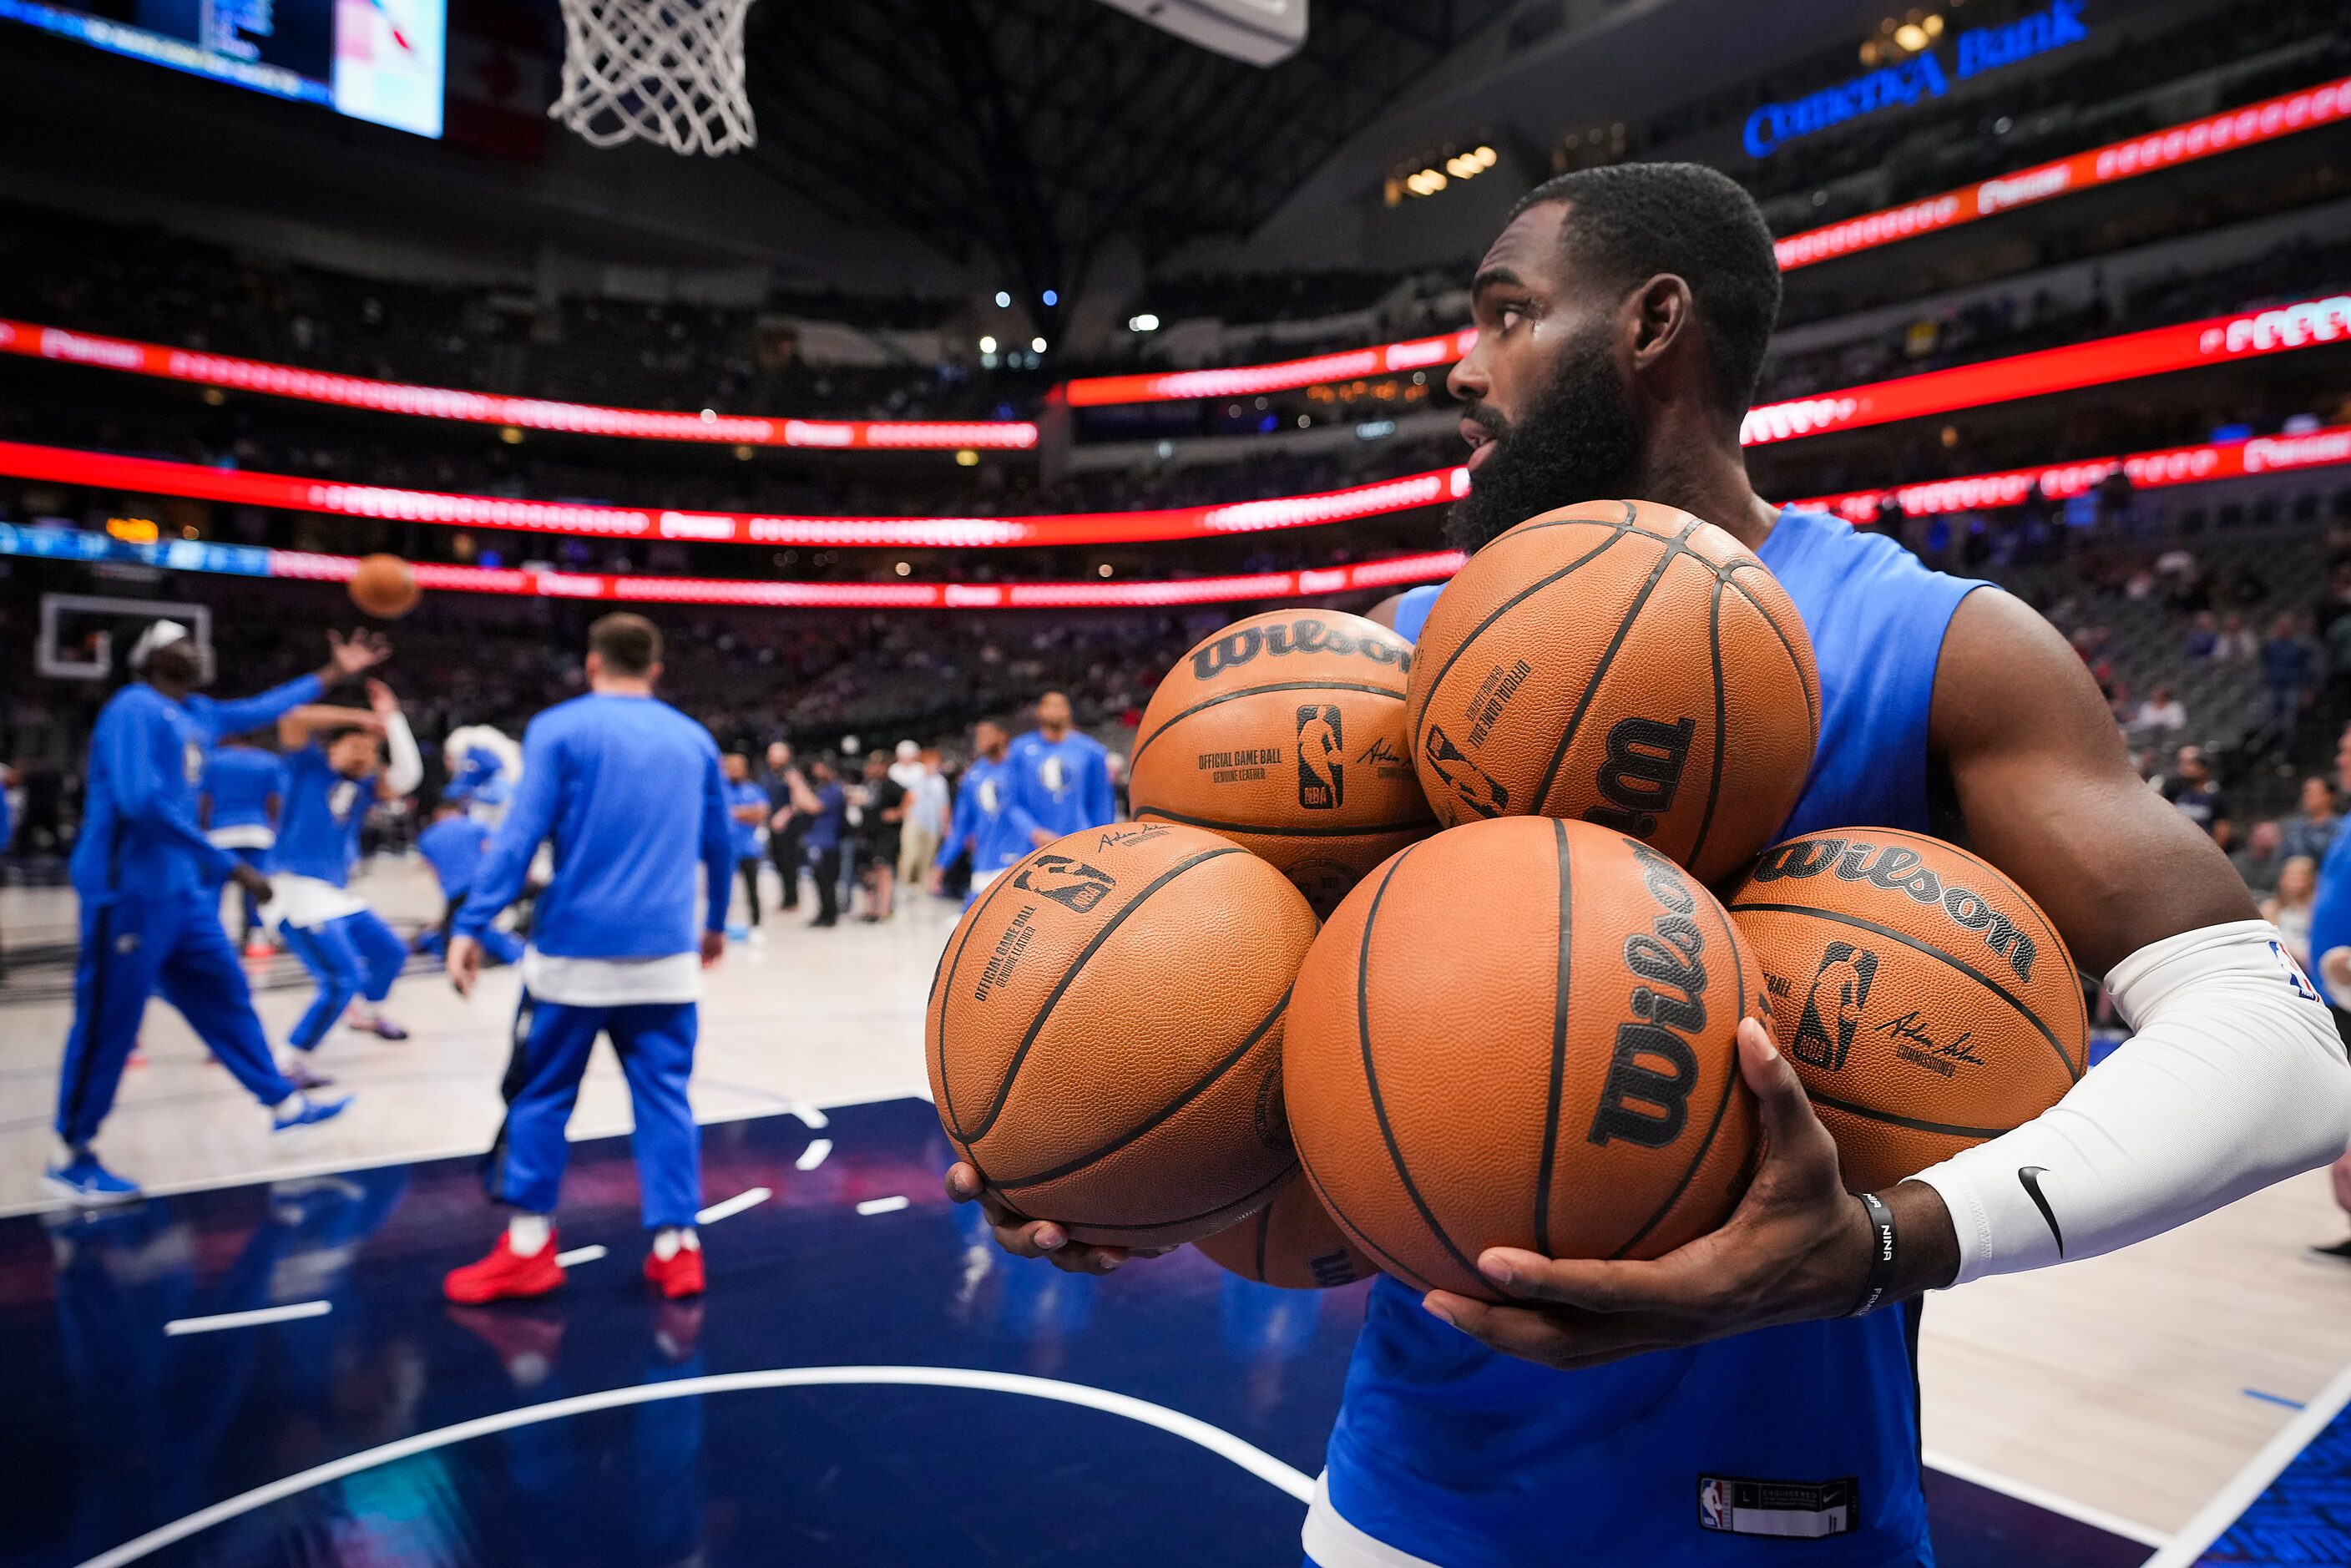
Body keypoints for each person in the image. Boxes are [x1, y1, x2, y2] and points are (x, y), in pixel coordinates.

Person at [951, 161, 2351, 1566]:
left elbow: (2283, 1044)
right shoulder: (1401, 649)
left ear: (1652, 321)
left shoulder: (1934, 644)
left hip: (1784, 1509)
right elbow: (1242, 1026)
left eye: (1504, 313)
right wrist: (1113, 1153)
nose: (1460, 367)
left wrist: (1883, 1239)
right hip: (1415, 1496)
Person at [441, 614, 733, 1303]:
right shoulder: (694, 739)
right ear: (656, 669)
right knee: (666, 1100)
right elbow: (720, 842)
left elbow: (517, 839)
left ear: (593, 663)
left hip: (574, 953)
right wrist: (716, 921)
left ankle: (527, 1249)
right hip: (666, 956)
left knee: (541, 1098)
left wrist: (473, 922)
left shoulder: (558, 729)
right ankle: (677, 1249)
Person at [48, 622, 381, 1202]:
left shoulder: (195, 712)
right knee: (110, 1021)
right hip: (126, 892)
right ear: (150, 657)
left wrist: (335, 672)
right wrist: (229, 866)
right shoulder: (135, 708)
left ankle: (283, 1103)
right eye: (180, 640)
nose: (198, 646)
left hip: (179, 893)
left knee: (226, 994)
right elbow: (139, 802)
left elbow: (263, 707)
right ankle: (69, 1155)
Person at [267, 680, 422, 1085]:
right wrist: (360, 718)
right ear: (331, 748)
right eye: (356, 746)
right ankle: (288, 1059)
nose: (365, 755)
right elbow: (293, 718)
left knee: (389, 952)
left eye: (371, 751)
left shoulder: (364, 787)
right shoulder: (307, 768)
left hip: (334, 895)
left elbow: (407, 776)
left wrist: (393, 722)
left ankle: (366, 1016)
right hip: (293, 891)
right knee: (341, 979)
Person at [412, 798, 524, 967]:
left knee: (455, 933)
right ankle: (518, 952)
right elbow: (495, 854)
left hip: (455, 894)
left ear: (437, 815)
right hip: (482, 887)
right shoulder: (476, 826)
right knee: (477, 927)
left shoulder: (426, 837)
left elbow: (436, 873)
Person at [931, 721, 1031, 904]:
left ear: (1002, 736)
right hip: (985, 864)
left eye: (986, 734)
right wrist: (941, 866)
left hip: (1023, 862)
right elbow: (961, 826)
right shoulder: (973, 777)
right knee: (974, 927)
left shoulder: (1023, 769)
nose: (980, 740)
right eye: (978, 736)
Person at [199, 741, 284, 955]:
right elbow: (275, 800)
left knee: (213, 891)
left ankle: (209, 939)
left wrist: (202, 830)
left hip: (220, 834)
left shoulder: (212, 761)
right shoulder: (268, 761)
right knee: (256, 889)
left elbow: (204, 800)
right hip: (257, 832)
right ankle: (257, 938)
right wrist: (274, 828)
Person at [1009, 691, 1114, 845]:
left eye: (1059, 705)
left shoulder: (1092, 750)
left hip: (1081, 840)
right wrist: (1033, 831)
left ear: (1068, 711)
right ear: (1039, 711)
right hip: (1031, 845)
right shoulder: (1019, 749)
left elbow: (1102, 800)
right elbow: (1012, 801)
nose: (1054, 710)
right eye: (1048, 705)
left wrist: (1101, 838)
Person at [786, 758, 849, 928]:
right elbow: (800, 804)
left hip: (826, 842)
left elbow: (813, 806)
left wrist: (798, 784)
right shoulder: (823, 789)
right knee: (818, 881)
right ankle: (823, 912)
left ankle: (830, 915)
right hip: (816, 840)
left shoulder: (835, 789)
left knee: (827, 881)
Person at [855, 749, 908, 922]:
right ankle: (869, 908)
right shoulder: (868, 784)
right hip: (867, 833)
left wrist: (898, 813)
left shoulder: (891, 785)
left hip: (886, 835)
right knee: (867, 873)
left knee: (883, 870)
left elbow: (911, 796)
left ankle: (884, 911)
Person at [720, 752, 768, 930]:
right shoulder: (719, 791)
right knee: (722, 891)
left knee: (753, 891)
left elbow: (761, 813)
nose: (733, 771)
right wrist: (747, 812)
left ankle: (756, 925)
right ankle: (719, 926)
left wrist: (733, 813)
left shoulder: (754, 790)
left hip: (749, 849)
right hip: (725, 850)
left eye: (737, 767)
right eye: (730, 767)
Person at [760, 741, 807, 912]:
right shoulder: (768, 775)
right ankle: (786, 897)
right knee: (778, 862)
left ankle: (793, 899)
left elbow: (799, 800)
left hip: (788, 826)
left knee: (789, 863)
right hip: (772, 825)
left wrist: (785, 815)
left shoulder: (791, 773)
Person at [897, 746, 949, 897]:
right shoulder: (916, 778)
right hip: (915, 821)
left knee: (928, 859)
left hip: (933, 825)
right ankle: (904, 885)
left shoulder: (940, 782)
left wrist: (945, 824)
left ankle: (922, 889)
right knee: (910, 855)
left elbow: (944, 805)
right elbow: (908, 798)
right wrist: (905, 814)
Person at [2161, 743, 2231, 847]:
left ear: (2203, 767)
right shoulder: (2173, 789)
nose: (2183, 768)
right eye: (2181, 763)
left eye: (2189, 763)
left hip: (2201, 848)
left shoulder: (2215, 795)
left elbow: (2222, 829)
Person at [2265, 856, 2319, 969]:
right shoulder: (2270, 907)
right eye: (2291, 875)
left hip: (2308, 961)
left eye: (2300, 876)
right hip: (2279, 959)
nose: (2295, 880)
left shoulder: (2316, 908)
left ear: (2310, 880)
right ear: (2282, 878)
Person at [2283, 775, 2342, 863]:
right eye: (2305, 792)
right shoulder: (2295, 828)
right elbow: (2283, 859)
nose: (2306, 796)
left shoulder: (2342, 827)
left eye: (2312, 792)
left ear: (2329, 796)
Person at [2232, 819, 2288, 899]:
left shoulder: (2283, 864)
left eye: (2274, 835)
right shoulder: (2236, 862)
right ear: (2252, 837)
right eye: (2265, 835)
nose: (2270, 839)